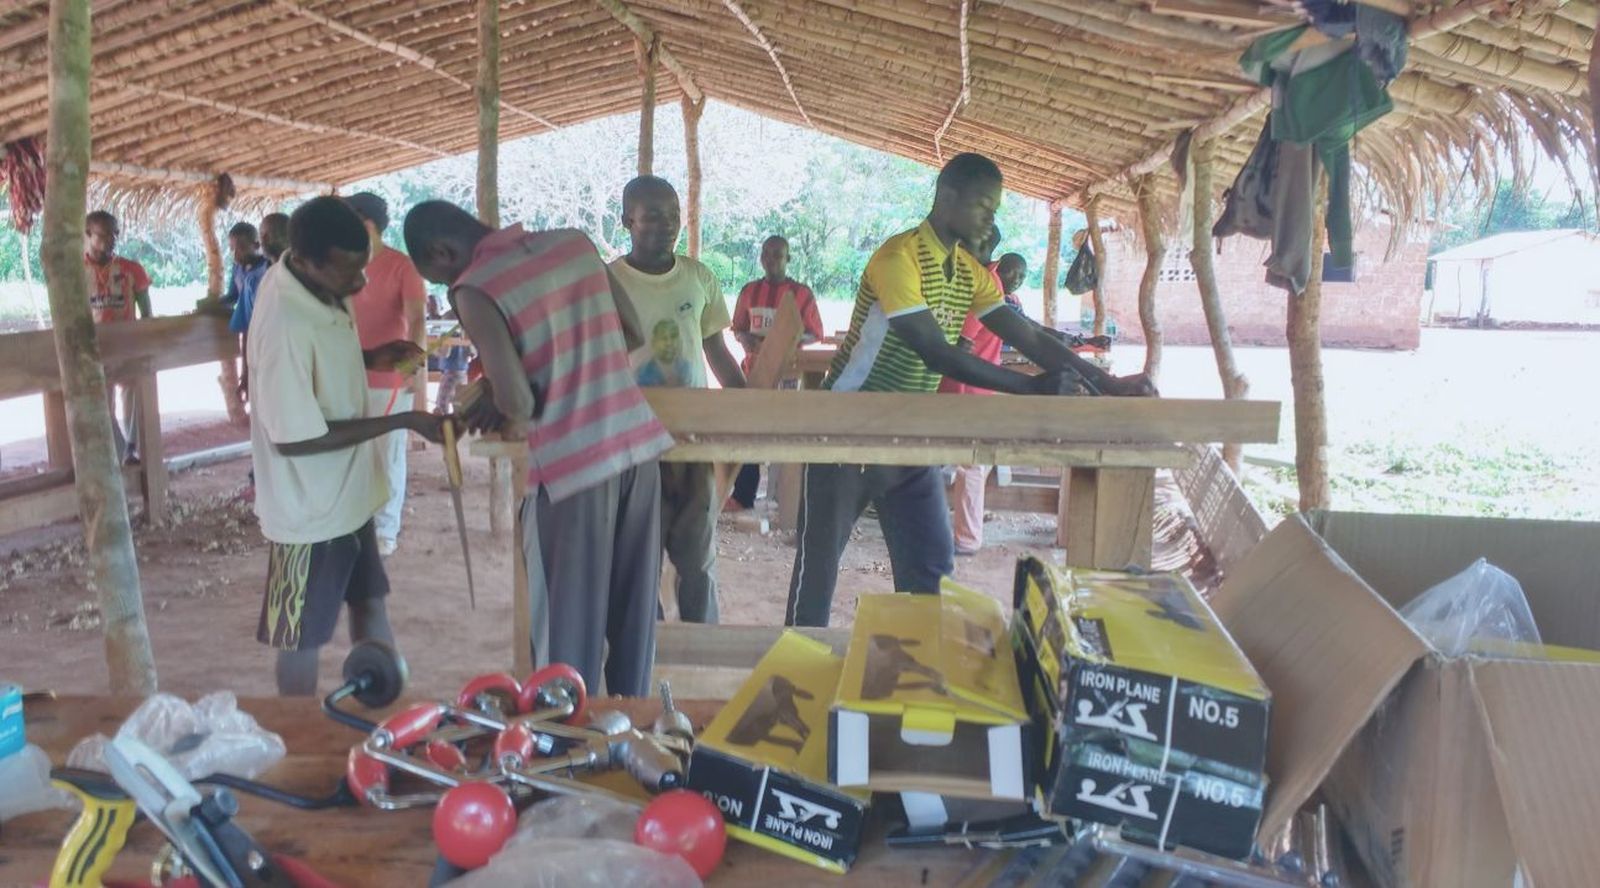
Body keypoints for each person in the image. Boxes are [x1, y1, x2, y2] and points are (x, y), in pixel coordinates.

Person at [785, 153, 1155, 628]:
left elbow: (1031, 338)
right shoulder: (898, 259)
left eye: (995, 209)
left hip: (910, 436)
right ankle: (793, 678)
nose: (990, 218)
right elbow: (933, 351)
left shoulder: (969, 272)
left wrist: (1109, 386)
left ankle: (916, 676)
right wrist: (1029, 388)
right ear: (948, 197)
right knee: (818, 571)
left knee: (930, 570)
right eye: (984, 206)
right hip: (846, 432)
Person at [402, 200, 674, 697]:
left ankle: (564, 755)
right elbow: (631, 332)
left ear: (442, 251)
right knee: (635, 628)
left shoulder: (475, 288)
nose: (446, 288)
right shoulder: (575, 244)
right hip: (638, 452)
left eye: (438, 276)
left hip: (572, 472)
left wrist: (495, 397)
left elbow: (521, 403)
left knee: (565, 649)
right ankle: (630, 744)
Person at [246, 196, 446, 696]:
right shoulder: (283, 324)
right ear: (309, 260)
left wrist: (372, 354)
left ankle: (383, 711)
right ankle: (298, 736)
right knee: (299, 638)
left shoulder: (316, 282)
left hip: (350, 498)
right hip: (307, 515)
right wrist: (403, 419)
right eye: (349, 273)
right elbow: (298, 440)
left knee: (370, 602)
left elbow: (322, 356)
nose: (360, 283)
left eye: (364, 267)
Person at [608, 176, 746, 624]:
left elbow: (717, 352)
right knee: (638, 561)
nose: (665, 226)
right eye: (652, 216)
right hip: (635, 443)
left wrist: (747, 407)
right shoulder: (609, 282)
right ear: (628, 220)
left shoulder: (697, 277)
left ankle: (704, 644)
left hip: (693, 443)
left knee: (697, 560)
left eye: (673, 217)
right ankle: (642, 649)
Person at [344, 193, 427, 556]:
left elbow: (418, 320)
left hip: (390, 381)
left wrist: (411, 372)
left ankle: (385, 530)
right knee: (351, 453)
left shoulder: (401, 266)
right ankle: (355, 523)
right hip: (346, 378)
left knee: (387, 455)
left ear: (367, 226)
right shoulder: (343, 266)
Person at [726, 235, 825, 511]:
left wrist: (784, 342)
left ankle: (787, 498)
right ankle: (744, 495)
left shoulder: (801, 294)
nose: (771, 259)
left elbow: (815, 333)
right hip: (754, 372)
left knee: (786, 431)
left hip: (789, 375)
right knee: (749, 430)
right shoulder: (748, 291)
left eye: (778, 254)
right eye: (766, 253)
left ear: (788, 259)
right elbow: (739, 328)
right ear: (760, 257)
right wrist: (748, 341)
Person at [940, 249, 1029, 555]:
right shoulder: (984, 290)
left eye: (1022, 276)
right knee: (974, 464)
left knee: (975, 463)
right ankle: (965, 538)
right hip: (969, 392)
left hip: (979, 391)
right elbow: (963, 347)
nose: (1016, 279)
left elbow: (1028, 332)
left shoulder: (1003, 297)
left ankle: (963, 533)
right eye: (1012, 272)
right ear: (997, 267)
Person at [83, 210, 152, 464]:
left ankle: (132, 447)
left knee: (133, 393)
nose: (111, 240)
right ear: (88, 234)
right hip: (94, 348)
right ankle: (118, 449)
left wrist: (146, 339)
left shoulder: (131, 269)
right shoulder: (77, 272)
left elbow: (146, 311)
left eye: (115, 234)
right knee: (102, 399)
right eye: (103, 235)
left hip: (127, 346)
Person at [223, 222, 270, 403]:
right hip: (249, 332)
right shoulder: (238, 269)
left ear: (257, 245)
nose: (236, 254)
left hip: (265, 334)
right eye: (233, 249)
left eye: (241, 248)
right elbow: (232, 296)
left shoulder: (268, 269)